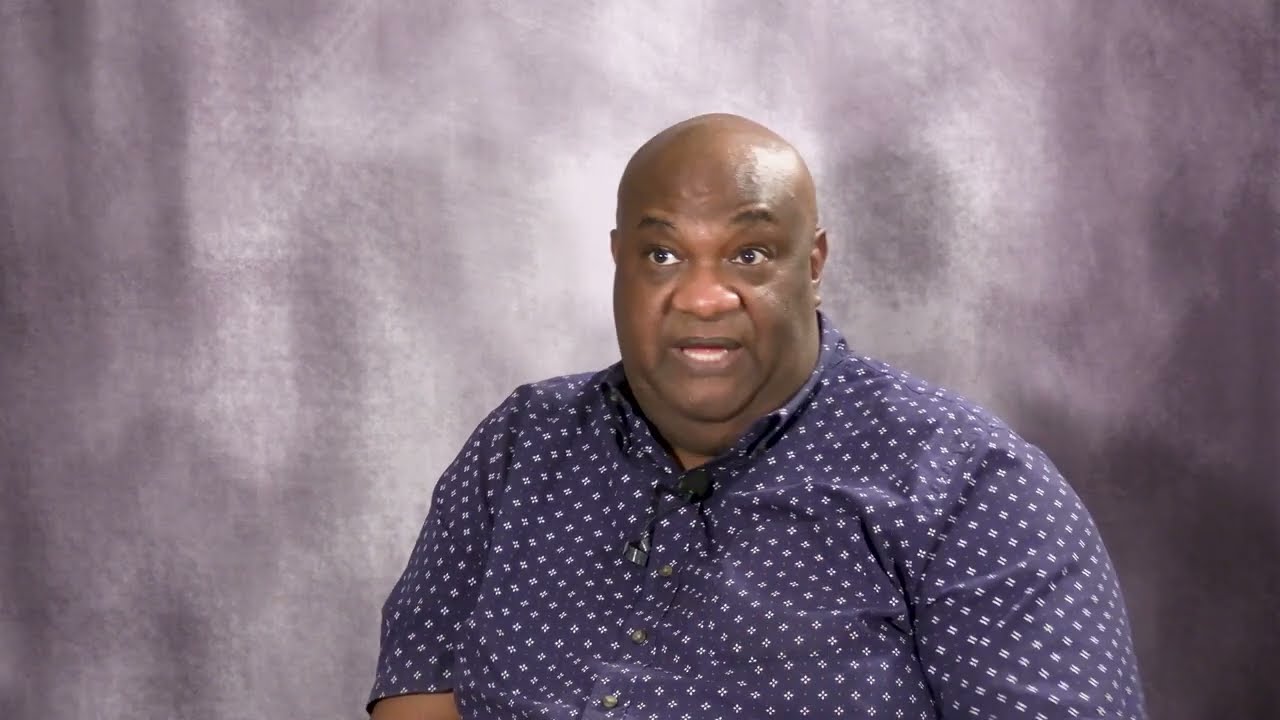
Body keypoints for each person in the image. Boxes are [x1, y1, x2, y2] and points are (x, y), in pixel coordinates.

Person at [366, 113, 1148, 719]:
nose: (704, 297)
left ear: (813, 264)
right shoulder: (520, 446)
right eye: (663, 255)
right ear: (617, 262)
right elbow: (419, 691)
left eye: (749, 254)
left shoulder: (973, 489)